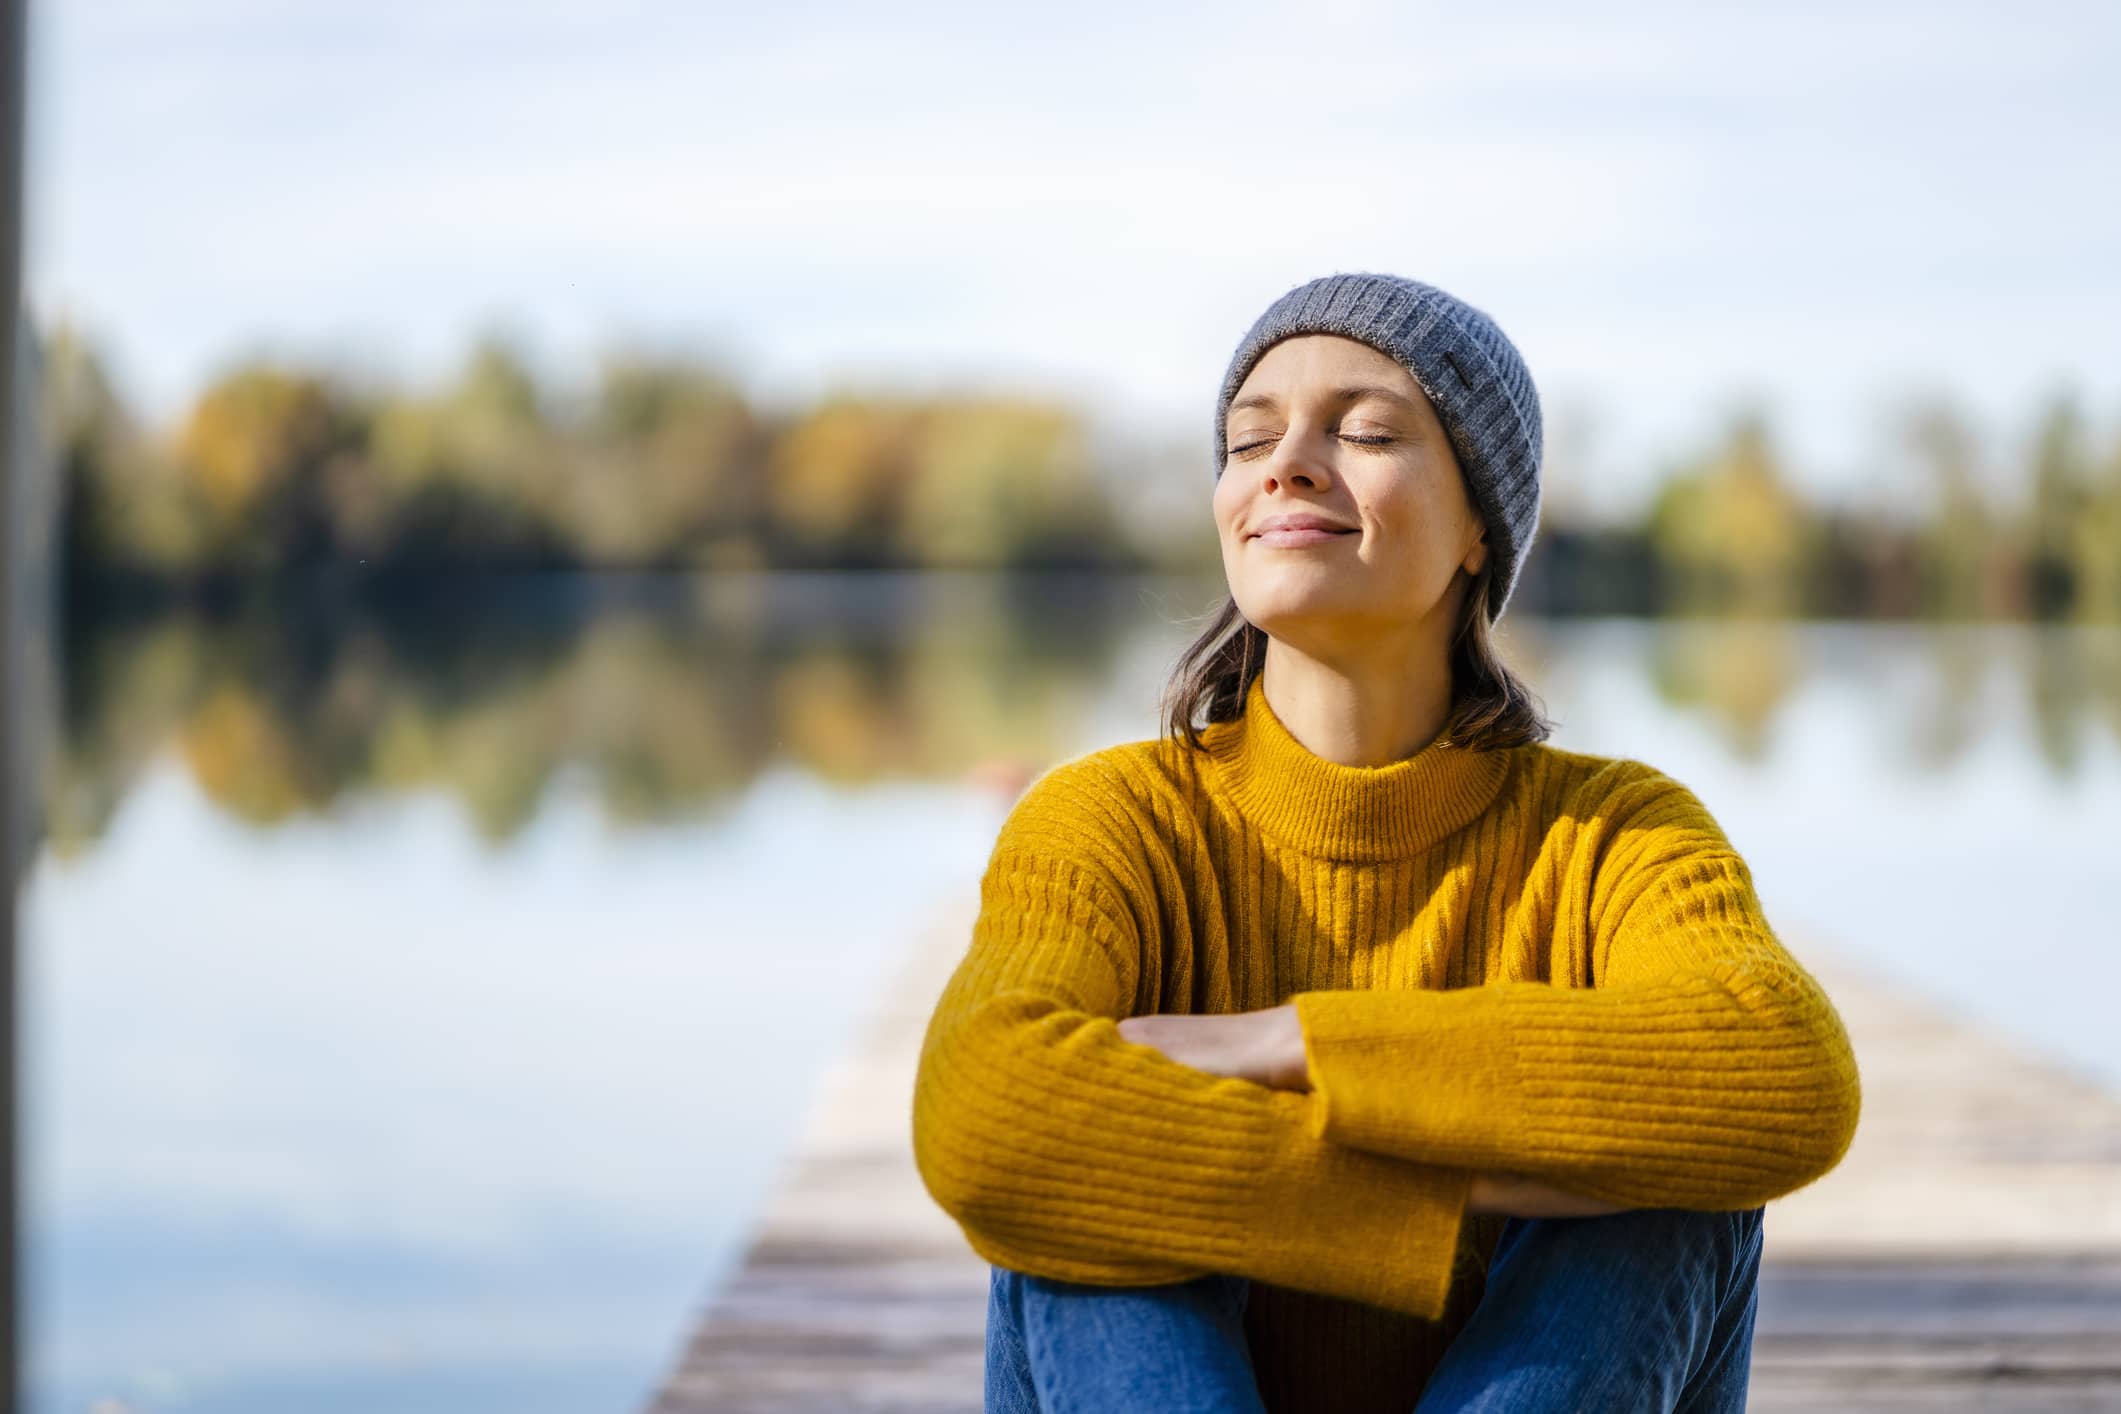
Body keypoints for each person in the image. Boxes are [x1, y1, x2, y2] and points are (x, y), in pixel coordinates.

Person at [910, 271, 1862, 1413]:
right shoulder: (1108, 819)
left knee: (1676, 1183)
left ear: (1479, 528)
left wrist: (1281, 1043)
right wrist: (1445, 1195)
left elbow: (1787, 1074)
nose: (1288, 463)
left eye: (1364, 429)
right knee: (1073, 1195)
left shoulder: (1620, 834)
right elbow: (981, 1112)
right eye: (1248, 437)